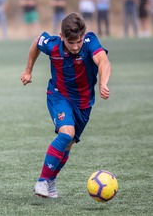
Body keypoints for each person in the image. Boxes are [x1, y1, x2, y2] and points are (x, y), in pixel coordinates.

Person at [20, 12, 111, 198]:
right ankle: (42, 181)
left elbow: (103, 61)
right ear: (61, 37)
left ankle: (51, 181)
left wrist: (103, 83)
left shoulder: (90, 41)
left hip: (84, 103)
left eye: (79, 41)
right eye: (71, 43)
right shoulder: (53, 45)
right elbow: (37, 42)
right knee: (66, 133)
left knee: (67, 144)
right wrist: (28, 70)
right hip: (58, 95)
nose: (76, 46)